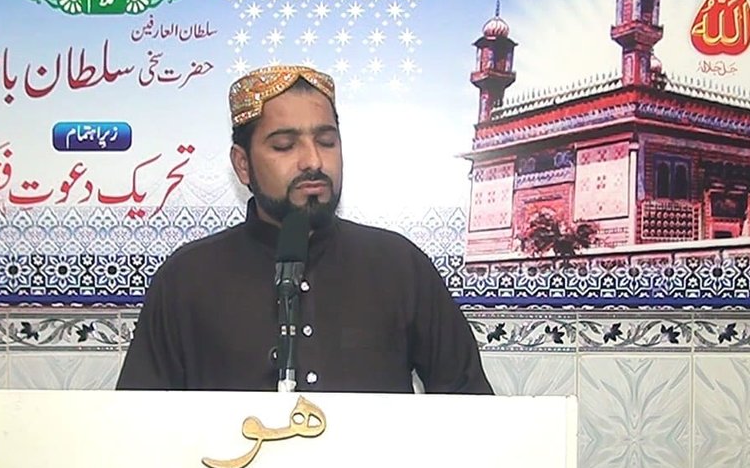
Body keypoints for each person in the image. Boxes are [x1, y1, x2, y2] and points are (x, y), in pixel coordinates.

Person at [116, 63, 492, 394]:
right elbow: (135, 425)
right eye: (284, 146)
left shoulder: (399, 266)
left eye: (326, 142)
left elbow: (472, 409)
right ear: (243, 165)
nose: (313, 161)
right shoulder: (186, 278)